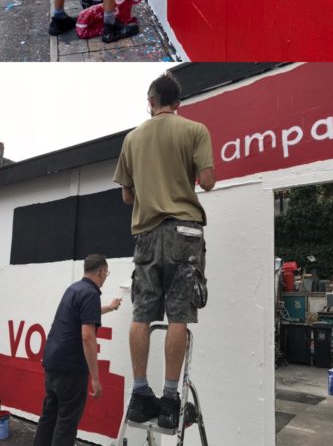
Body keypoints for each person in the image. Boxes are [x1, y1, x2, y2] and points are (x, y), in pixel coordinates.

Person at [114, 72, 216, 430]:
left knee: (141, 314)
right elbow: (207, 181)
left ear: (151, 101)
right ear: (178, 104)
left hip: (145, 233)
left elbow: (127, 195)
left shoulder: (132, 139)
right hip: (184, 232)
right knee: (178, 316)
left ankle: (141, 396)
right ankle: (171, 399)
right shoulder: (195, 130)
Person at [33, 254, 121, 446]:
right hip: (71, 370)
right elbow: (87, 336)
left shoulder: (73, 289)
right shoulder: (91, 294)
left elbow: (84, 314)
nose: (106, 276)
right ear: (100, 272)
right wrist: (96, 378)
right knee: (67, 423)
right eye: (106, 273)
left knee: (49, 416)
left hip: (52, 363)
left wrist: (110, 307)